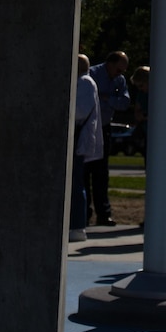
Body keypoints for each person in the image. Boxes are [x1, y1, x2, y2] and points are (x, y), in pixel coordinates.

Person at [86, 50, 129, 226]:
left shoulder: (120, 80)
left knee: (101, 173)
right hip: (89, 128)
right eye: (119, 70)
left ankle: (104, 214)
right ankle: (84, 213)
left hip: (104, 128)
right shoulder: (92, 74)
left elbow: (124, 103)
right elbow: (89, 98)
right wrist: (111, 99)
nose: (120, 74)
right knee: (84, 172)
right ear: (109, 64)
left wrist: (106, 98)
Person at [71, 54, 102, 242]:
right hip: (79, 139)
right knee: (76, 183)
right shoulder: (84, 82)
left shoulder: (85, 83)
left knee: (76, 184)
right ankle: (75, 224)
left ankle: (77, 225)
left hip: (77, 139)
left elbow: (78, 112)